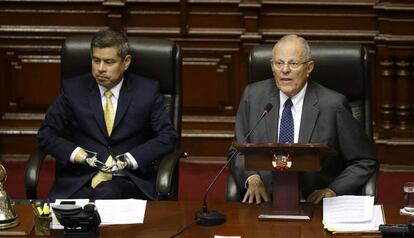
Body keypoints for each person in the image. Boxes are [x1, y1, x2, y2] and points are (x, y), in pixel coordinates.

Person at [228, 34, 378, 204]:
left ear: (309, 67)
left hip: (314, 205)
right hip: (263, 202)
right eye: (279, 63)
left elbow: (364, 160)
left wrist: (333, 190)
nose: (285, 70)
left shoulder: (333, 105)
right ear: (272, 66)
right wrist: (252, 178)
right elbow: (237, 152)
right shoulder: (253, 96)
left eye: (293, 63)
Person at [37, 28, 178, 200]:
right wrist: (77, 154)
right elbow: (46, 134)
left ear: (126, 62)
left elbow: (168, 137)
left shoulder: (147, 91)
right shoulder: (73, 89)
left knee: (107, 194)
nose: (100, 69)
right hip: (81, 182)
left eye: (109, 62)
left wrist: (131, 158)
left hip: (127, 181)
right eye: (96, 60)